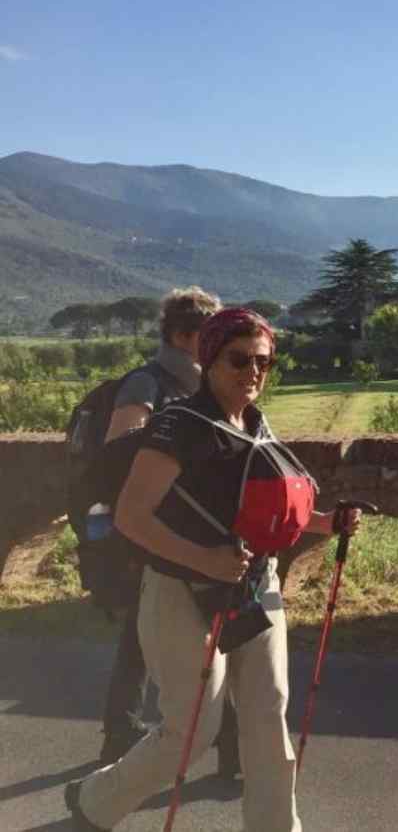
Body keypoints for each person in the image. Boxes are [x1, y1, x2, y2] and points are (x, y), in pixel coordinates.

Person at [65, 307, 362, 832]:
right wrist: (205, 560)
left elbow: (257, 508)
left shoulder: (255, 423)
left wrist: (326, 522)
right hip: (179, 591)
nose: (254, 371)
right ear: (209, 360)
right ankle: (94, 802)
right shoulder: (180, 426)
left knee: (267, 716)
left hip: (255, 585)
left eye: (264, 362)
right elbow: (132, 516)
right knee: (191, 732)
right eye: (239, 360)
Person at [96, 287, 244, 773]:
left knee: (182, 636)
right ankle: (223, 745)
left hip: (189, 529)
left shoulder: (199, 385)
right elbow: (119, 449)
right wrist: (178, 438)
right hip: (155, 531)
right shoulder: (148, 382)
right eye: (210, 335)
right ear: (183, 335)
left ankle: (124, 735)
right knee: (198, 635)